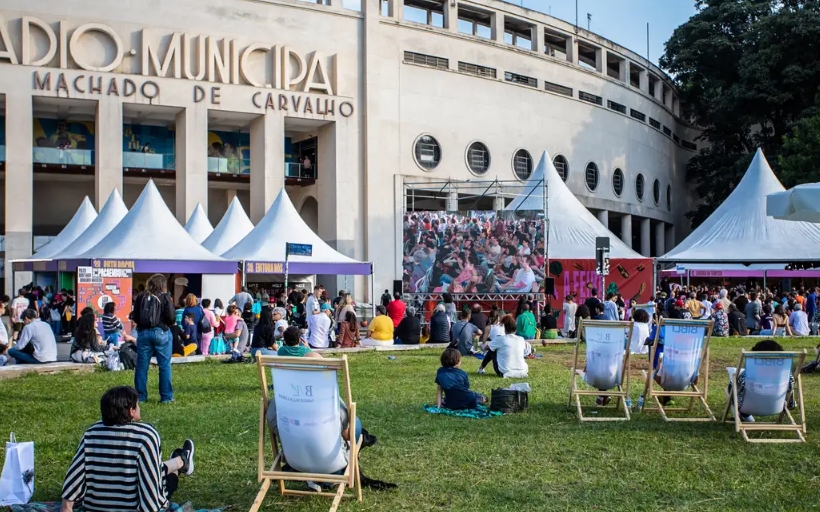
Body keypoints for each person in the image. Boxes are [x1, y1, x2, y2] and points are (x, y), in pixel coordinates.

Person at [61, 386, 195, 512]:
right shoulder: (145, 435)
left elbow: (75, 474)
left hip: (96, 507)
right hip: (132, 506)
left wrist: (67, 507)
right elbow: (151, 485)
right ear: (131, 411)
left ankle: (181, 460)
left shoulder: (92, 433)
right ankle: (180, 462)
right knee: (163, 477)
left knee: (153, 470)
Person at [131, 274, 176, 403]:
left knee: (141, 367)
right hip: (161, 332)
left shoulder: (141, 296)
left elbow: (136, 316)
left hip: (144, 333)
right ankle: (166, 397)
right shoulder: (165, 297)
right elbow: (171, 317)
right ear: (163, 284)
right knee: (164, 366)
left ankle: (141, 397)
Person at [726, 339, 796, 423]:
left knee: (732, 385)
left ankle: (745, 416)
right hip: (776, 406)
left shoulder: (748, 374)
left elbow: (740, 392)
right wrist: (790, 404)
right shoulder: (786, 375)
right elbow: (790, 398)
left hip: (749, 406)